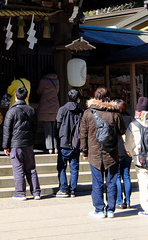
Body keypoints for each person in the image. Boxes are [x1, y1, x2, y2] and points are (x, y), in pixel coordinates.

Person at [80, 87, 125, 219]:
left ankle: (99, 209)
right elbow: (122, 131)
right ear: (108, 97)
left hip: (94, 153)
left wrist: (85, 151)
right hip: (112, 153)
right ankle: (111, 209)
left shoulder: (88, 113)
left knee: (97, 182)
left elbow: (83, 134)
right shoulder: (115, 113)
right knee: (112, 181)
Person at [2, 86, 41, 200]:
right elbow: (35, 128)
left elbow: (7, 130)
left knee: (18, 168)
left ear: (15, 96)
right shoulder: (31, 110)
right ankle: (36, 192)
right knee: (31, 168)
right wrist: (33, 141)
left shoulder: (11, 111)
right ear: (26, 96)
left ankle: (21, 193)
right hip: (28, 144)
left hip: (16, 144)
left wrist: (5, 146)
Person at [125, 96, 148, 217]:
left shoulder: (134, 124)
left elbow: (129, 142)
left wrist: (131, 152)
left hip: (140, 158)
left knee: (144, 184)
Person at [55, 88, 83, 197]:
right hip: (76, 142)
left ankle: (63, 188)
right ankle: (72, 189)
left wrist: (57, 139)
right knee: (74, 167)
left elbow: (57, 126)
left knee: (62, 166)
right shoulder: (81, 111)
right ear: (78, 99)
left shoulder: (62, 109)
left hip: (63, 141)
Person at [36, 66, 60, 153]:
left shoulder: (43, 80)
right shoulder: (57, 81)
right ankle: (56, 147)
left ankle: (50, 148)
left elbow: (39, 91)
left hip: (45, 106)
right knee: (54, 128)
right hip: (55, 105)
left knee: (47, 128)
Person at [115, 99, 133, 210]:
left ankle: (120, 201)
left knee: (117, 176)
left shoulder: (114, 118)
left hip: (117, 150)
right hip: (128, 150)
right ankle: (128, 200)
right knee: (126, 176)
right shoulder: (130, 119)